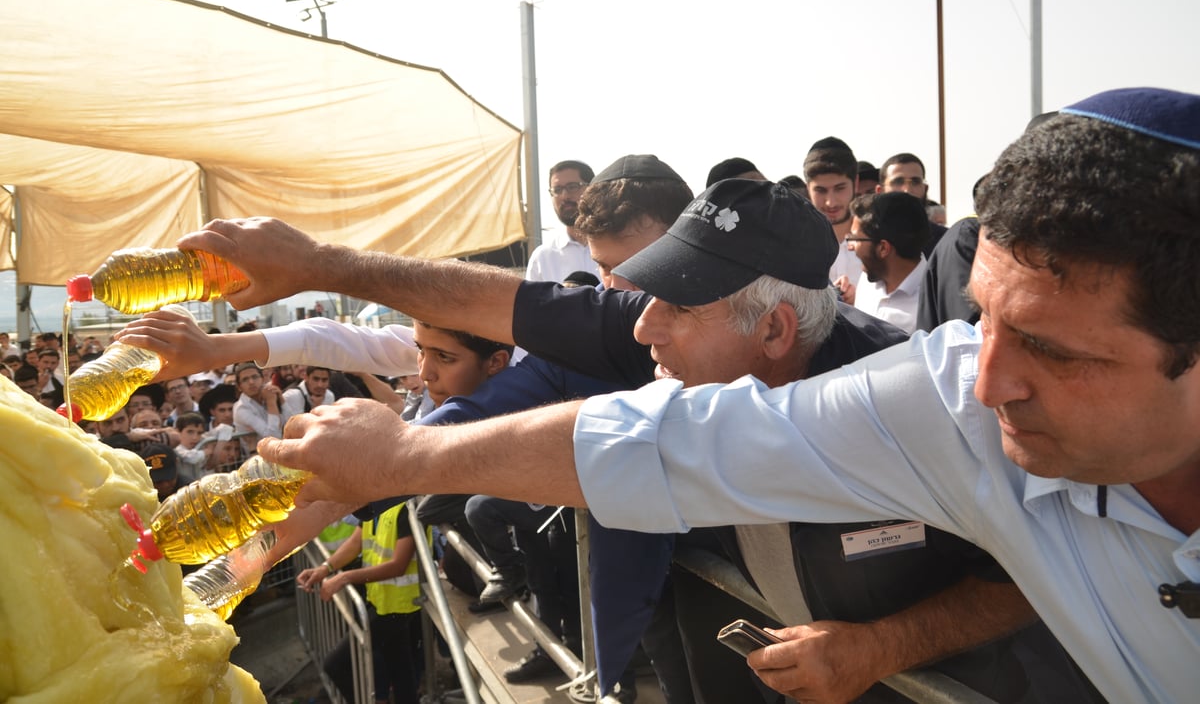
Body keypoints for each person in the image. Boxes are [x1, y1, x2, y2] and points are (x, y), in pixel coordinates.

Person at [250, 87, 1199, 704]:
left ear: (777, 327)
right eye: (982, 318)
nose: (989, 380)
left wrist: (882, 646)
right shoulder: (943, 401)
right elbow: (658, 438)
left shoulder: (903, 379)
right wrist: (402, 451)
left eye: (1049, 349)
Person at [153, 176, 1060, 701]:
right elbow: (504, 311)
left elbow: (1035, 572)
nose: (640, 328)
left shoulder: (918, 405)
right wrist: (318, 265)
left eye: (673, 303)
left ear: (777, 332)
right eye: (639, 293)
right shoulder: (679, 351)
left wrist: (883, 648)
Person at [297, 500, 429, 704]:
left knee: (336, 665)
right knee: (400, 668)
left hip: (401, 606)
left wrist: (343, 578)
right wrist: (325, 568)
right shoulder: (376, 505)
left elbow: (398, 565)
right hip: (382, 601)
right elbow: (355, 542)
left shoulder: (405, 508)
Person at [842, 191, 931, 332]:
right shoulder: (867, 279)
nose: (850, 246)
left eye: (855, 238)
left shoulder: (931, 301)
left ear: (883, 248)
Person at [804, 136, 863, 292]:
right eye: (820, 190)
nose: (830, 202)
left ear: (855, 184)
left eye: (839, 188)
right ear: (808, 188)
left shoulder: (878, 241)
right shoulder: (795, 245)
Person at [525, 160, 600, 283]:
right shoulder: (543, 258)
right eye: (557, 190)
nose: (565, 196)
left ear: (592, 189)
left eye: (572, 187)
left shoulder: (620, 248)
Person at [876, 152, 947, 255]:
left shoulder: (945, 240)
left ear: (925, 189)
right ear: (880, 191)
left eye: (915, 182)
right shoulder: (866, 241)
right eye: (898, 182)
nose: (907, 190)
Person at [232, 361, 282, 451]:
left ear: (262, 379)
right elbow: (274, 436)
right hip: (257, 458)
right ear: (239, 387)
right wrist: (271, 402)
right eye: (245, 379)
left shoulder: (268, 392)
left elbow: (290, 421)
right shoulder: (241, 409)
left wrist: (282, 400)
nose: (251, 382)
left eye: (254, 377)